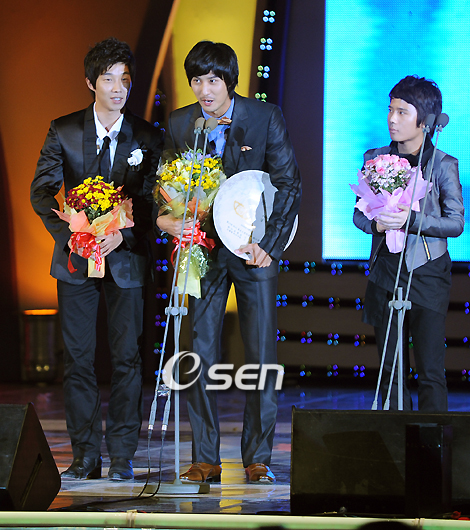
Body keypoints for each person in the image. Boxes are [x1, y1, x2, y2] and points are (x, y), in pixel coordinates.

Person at [157, 41, 301, 483]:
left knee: (260, 352)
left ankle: (257, 457)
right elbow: (162, 184)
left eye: (213, 81)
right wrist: (166, 218)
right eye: (197, 81)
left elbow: (289, 183)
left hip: (254, 248)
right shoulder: (181, 122)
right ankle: (205, 457)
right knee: (199, 349)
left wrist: (269, 245)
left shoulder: (264, 117)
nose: (205, 90)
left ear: (229, 82)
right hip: (203, 250)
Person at [31, 37, 163, 480]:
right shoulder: (64, 130)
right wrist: (74, 236)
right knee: (78, 359)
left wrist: (124, 232)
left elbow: (154, 201)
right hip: (76, 260)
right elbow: (40, 192)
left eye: (125, 79)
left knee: (128, 359)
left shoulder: (147, 136)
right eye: (108, 79)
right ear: (91, 82)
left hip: (125, 259)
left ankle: (123, 457)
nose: (118, 88)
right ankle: (86, 456)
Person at [354, 75, 464, 411]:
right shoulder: (375, 158)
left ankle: (432, 441)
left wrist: (412, 220)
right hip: (386, 270)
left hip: (427, 272)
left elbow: (456, 223)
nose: (392, 119)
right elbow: (358, 215)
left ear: (425, 120)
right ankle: (395, 440)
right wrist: (376, 224)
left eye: (402, 112)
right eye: (390, 110)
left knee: (430, 370)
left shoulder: (443, 164)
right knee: (391, 370)